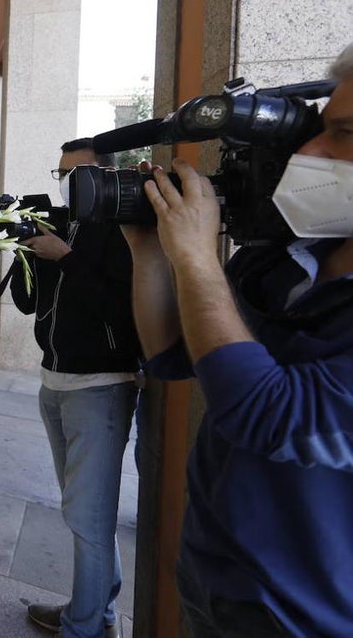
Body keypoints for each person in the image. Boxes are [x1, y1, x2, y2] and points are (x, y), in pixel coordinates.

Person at [122, 45, 353, 637]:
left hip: (303, 616)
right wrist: (150, 250)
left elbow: (267, 414)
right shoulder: (288, 259)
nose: (310, 153)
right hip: (214, 576)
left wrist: (196, 257)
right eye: (320, 129)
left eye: (344, 135)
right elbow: (174, 355)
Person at [10, 138, 141, 638]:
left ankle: (83, 626)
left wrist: (64, 257)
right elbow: (28, 304)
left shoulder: (123, 229)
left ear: (105, 178)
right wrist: (23, 249)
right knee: (83, 509)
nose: (68, 183)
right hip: (54, 381)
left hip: (101, 386)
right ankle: (97, 611)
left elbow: (121, 311)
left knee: (87, 516)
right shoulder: (65, 223)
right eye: (61, 172)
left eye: (79, 174)